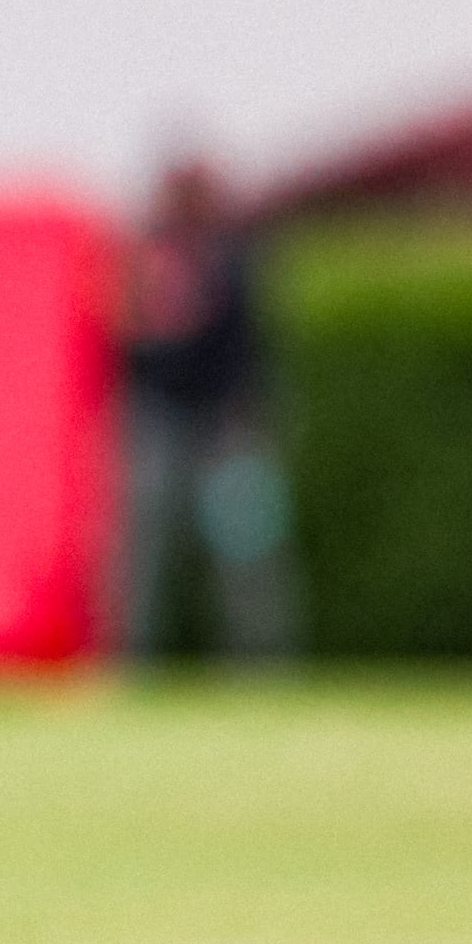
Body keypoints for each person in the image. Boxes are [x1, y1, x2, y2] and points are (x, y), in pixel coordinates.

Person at [113, 156, 297, 662]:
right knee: (142, 549)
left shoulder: (234, 255)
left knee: (248, 552)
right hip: (159, 417)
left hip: (226, 422)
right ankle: (126, 662)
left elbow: (251, 346)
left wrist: (246, 411)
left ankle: (261, 664)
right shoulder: (146, 257)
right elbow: (127, 343)